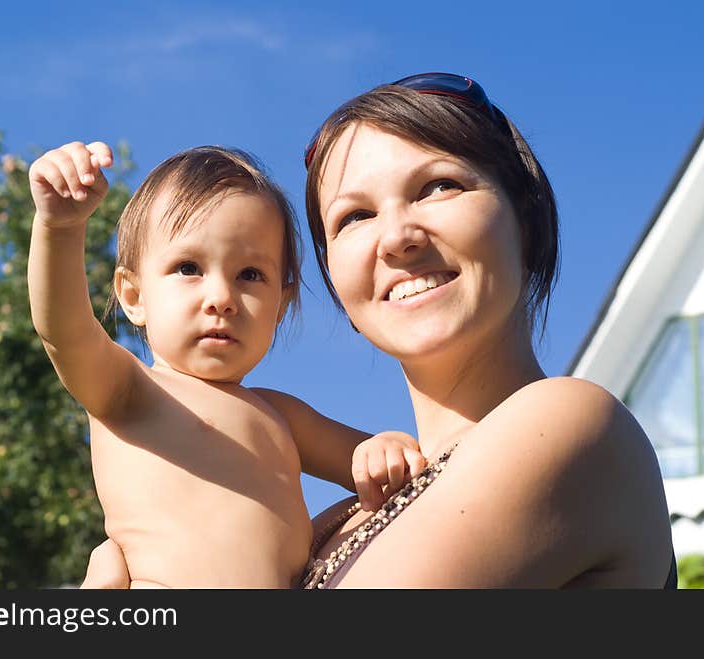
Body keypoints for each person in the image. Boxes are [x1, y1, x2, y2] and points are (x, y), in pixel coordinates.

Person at [80, 72, 677, 589]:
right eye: (355, 217)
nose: (397, 238)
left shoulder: (566, 424)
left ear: (523, 209)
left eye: (439, 186)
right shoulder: (346, 521)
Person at [27, 142, 426, 588]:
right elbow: (64, 331)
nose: (221, 299)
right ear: (134, 296)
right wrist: (60, 229)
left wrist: (384, 448)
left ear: (281, 303)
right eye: (188, 268)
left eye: (250, 275)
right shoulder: (130, 390)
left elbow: (376, 466)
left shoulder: (282, 416)